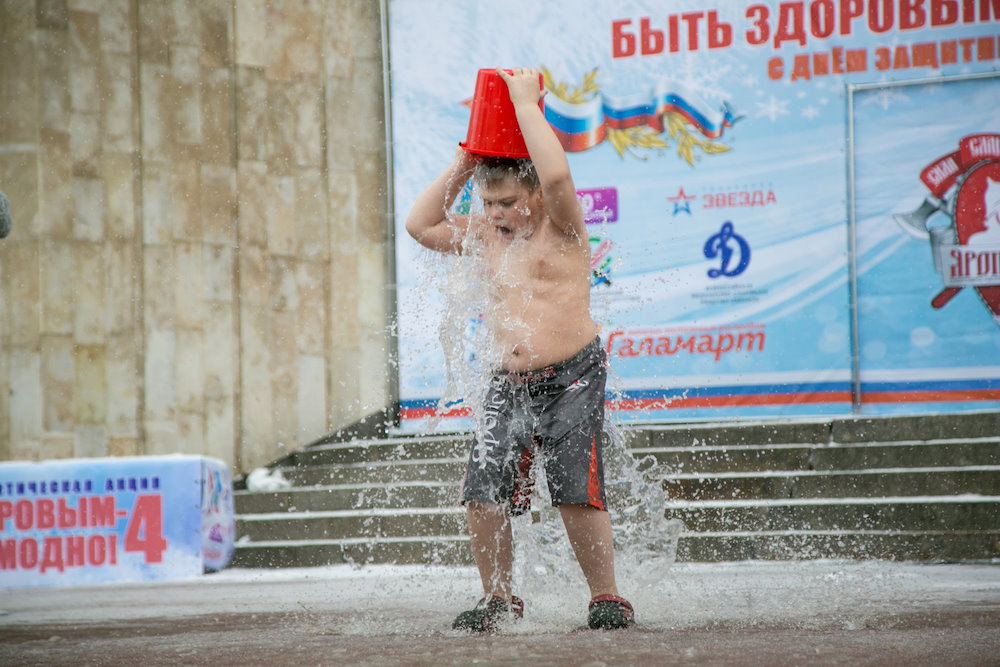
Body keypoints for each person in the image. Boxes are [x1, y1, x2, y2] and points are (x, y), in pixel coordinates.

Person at [405, 67, 634, 632]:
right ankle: (499, 598)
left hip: (573, 372)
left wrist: (528, 105)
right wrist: (470, 157)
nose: (496, 214)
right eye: (488, 204)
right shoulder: (484, 238)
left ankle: (606, 596)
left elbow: (558, 177)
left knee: (574, 491)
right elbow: (420, 224)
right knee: (482, 493)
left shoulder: (563, 229)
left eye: (507, 201)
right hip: (507, 381)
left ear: (532, 193)